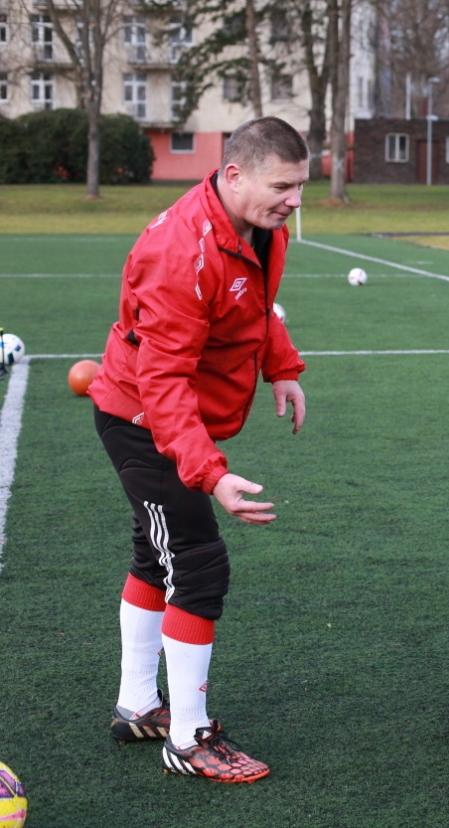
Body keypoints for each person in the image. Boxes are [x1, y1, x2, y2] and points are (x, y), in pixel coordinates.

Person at [88, 116, 310, 783]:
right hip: (143, 419)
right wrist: (210, 474)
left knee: (155, 556)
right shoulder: (182, 250)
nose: (295, 200)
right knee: (198, 563)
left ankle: (137, 706)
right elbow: (162, 382)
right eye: (284, 186)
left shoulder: (257, 226)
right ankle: (188, 738)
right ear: (234, 174)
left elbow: (256, 308)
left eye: (302, 186)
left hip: (165, 415)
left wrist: (284, 367)